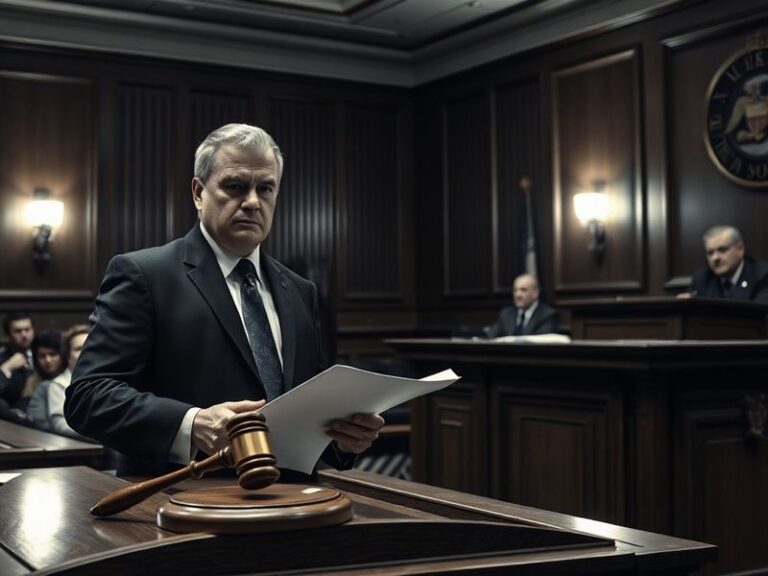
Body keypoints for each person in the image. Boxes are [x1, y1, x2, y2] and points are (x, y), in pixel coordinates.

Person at [65, 123, 384, 477]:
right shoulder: (144, 274)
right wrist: (193, 423)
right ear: (198, 192)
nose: (252, 202)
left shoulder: (300, 290)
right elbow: (88, 396)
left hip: (292, 498)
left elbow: (307, 407)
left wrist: (343, 438)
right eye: (235, 186)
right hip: (181, 497)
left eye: (265, 188)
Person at [27, 324, 91, 439]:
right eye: (78, 349)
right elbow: (60, 425)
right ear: (67, 356)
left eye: (90, 347)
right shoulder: (57, 385)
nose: (86, 352)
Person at [681, 225, 768, 301]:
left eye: (722, 250)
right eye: (710, 253)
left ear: (740, 249)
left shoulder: (763, 275)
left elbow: (759, 313)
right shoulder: (702, 279)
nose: (715, 258)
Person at [484, 274, 558, 337]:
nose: (518, 295)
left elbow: (541, 343)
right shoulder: (506, 314)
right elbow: (489, 337)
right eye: (515, 290)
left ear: (536, 293)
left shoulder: (547, 315)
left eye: (523, 290)